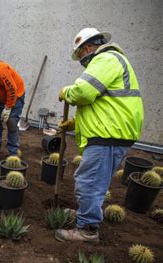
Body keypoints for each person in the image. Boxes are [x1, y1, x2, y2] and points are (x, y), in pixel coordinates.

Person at [55, 28, 144, 242]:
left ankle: (87, 229)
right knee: (94, 180)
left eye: (80, 57)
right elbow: (103, 107)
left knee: (89, 181)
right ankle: (86, 213)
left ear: (87, 48)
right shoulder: (111, 61)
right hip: (110, 131)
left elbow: (84, 92)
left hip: (109, 135)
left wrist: (66, 91)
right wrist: (75, 124)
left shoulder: (106, 59)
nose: (81, 62)